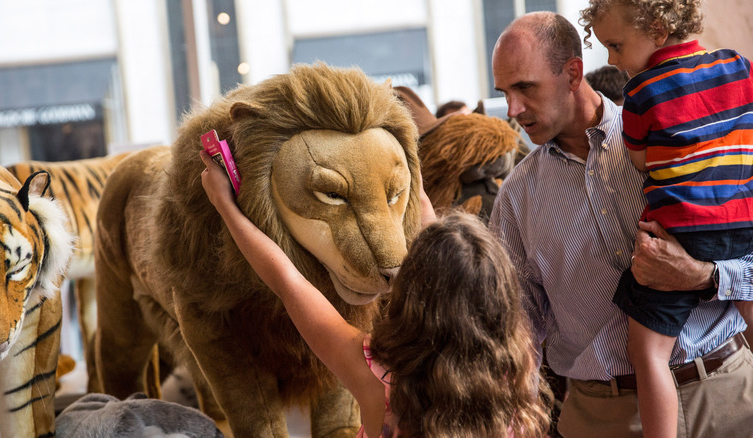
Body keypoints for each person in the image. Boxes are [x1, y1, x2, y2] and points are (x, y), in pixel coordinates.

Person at [489, 10, 753, 438]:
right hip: (601, 419)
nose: (513, 108)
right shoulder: (516, 199)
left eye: (525, 87)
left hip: (729, 396)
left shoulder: (673, 138)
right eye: (505, 92)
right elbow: (515, 329)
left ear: (573, 73)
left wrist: (706, 277)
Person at [199, 150, 552, 438]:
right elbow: (453, 274)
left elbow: (287, 281)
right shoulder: (518, 376)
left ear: (415, 295)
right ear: (501, 299)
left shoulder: (380, 378)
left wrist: (225, 205)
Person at [578, 1, 753, 436]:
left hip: (680, 230)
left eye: (616, 46)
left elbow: (639, 160)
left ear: (657, 29)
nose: (612, 61)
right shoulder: (739, 66)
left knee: (649, 352)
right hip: (742, 221)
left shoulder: (644, 90)